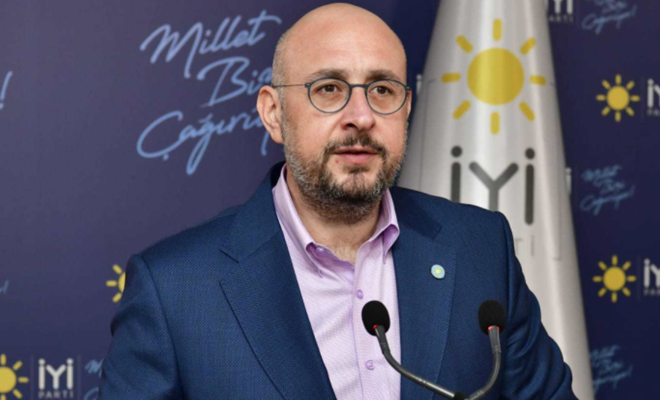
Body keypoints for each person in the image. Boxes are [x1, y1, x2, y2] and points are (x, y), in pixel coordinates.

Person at [99, 3, 577, 399]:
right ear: (273, 113)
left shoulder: (481, 249)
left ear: (407, 110)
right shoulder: (175, 289)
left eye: (382, 90)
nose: (361, 116)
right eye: (329, 89)